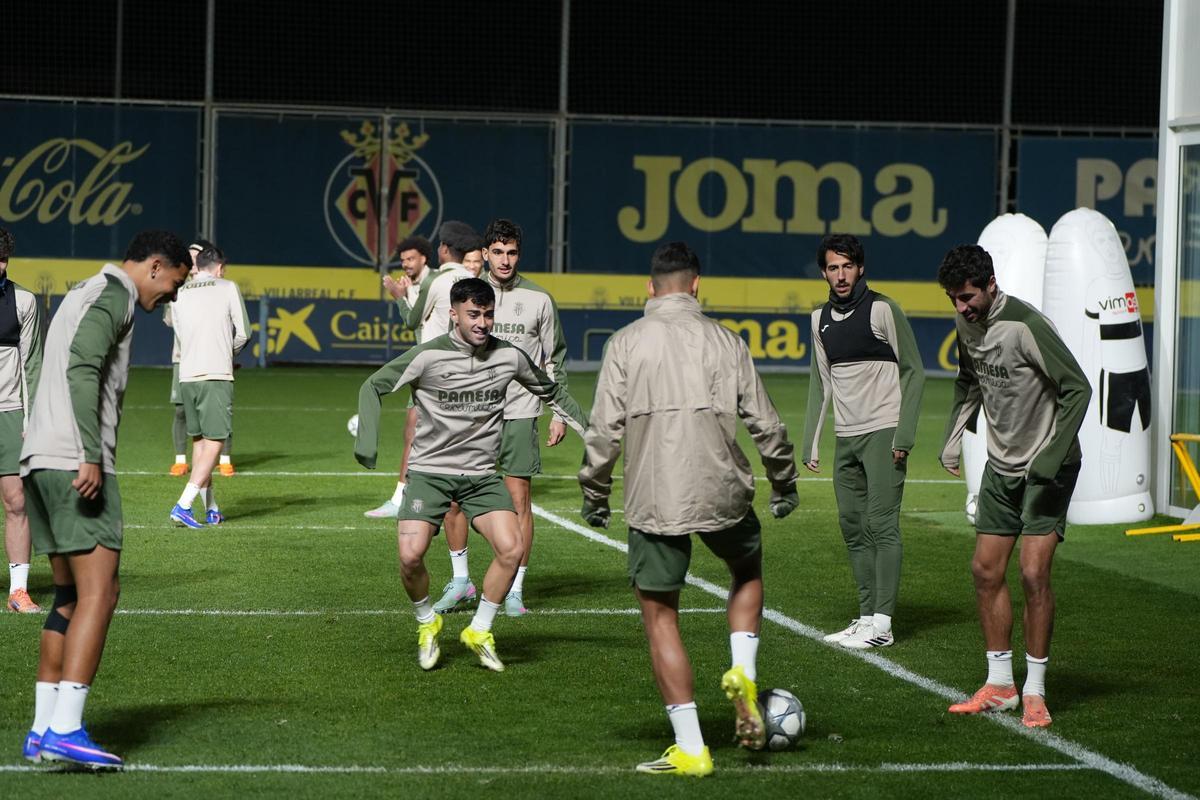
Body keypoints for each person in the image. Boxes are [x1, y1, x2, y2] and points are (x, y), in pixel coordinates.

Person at [578, 241, 799, 777]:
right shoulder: (729, 342)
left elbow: (604, 430)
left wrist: (595, 494)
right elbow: (766, 423)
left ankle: (693, 748)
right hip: (723, 487)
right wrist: (783, 482)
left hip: (656, 498)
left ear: (650, 288)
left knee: (660, 615)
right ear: (697, 285)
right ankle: (742, 669)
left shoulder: (627, 342)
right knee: (746, 572)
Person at [354, 277, 588, 673]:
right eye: (473, 314)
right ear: (454, 314)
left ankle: (479, 629)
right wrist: (368, 444)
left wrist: (592, 432)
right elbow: (372, 386)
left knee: (512, 549)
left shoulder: (509, 357)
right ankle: (428, 623)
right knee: (410, 558)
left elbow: (551, 391)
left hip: (480, 476)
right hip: (430, 473)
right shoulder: (426, 356)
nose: (482, 322)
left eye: (488, 314)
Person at [19, 230, 191, 769]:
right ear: (157, 266)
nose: (173, 297)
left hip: (41, 460)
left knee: (68, 597)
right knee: (102, 593)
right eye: (174, 285)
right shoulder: (114, 294)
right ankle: (67, 729)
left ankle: (43, 727)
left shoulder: (83, 289)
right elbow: (82, 368)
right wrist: (91, 453)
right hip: (75, 462)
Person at [937, 244, 1090, 730]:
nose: (961, 307)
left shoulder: (1026, 326)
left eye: (967, 297)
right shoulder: (967, 324)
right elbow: (969, 380)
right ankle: (1000, 685)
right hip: (1002, 467)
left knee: (1032, 574)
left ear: (990, 285)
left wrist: (1048, 456)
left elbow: (1077, 388)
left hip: (1050, 466)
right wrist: (952, 437)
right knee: (985, 570)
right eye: (953, 299)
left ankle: (1035, 692)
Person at [432, 218, 566, 617]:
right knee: (455, 497)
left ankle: (514, 590)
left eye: (512, 253)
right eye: (498, 252)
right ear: (485, 253)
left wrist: (558, 412)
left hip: (521, 411)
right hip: (471, 411)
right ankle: (461, 582)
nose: (505, 260)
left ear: (518, 255)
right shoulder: (468, 295)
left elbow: (554, 357)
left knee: (518, 500)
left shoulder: (539, 299)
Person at [801, 234, 925, 649]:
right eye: (833, 267)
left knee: (882, 525)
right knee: (853, 527)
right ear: (824, 272)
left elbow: (913, 371)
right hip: (845, 438)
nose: (840, 275)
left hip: (883, 431)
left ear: (861, 268)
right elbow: (821, 382)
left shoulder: (883, 310)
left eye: (847, 266)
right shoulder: (818, 319)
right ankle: (867, 616)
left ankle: (883, 626)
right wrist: (811, 442)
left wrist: (904, 434)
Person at [364, 222, 482, 519]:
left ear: (442, 250)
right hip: (466, 368)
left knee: (413, 433)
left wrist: (398, 296)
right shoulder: (472, 280)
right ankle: (462, 496)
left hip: (433, 369)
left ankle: (401, 498)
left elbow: (412, 321)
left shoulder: (436, 282)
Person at [167, 241, 250, 528]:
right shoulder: (227, 287)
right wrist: (226, 352)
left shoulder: (179, 293)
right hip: (215, 373)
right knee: (216, 441)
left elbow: (179, 332)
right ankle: (184, 503)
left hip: (187, 374)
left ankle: (211, 507)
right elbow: (243, 333)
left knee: (200, 443)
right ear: (218, 267)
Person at [164, 240, 237, 477]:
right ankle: (180, 460)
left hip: (214, 361)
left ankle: (224, 458)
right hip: (184, 359)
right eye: (190, 257)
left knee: (219, 410)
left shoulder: (221, 287)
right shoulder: (180, 289)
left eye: (196, 257)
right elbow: (170, 320)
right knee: (181, 411)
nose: (193, 261)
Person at [0, 227, 44, 613]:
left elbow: (32, 365)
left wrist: (34, 421)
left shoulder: (24, 301)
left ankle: (18, 590)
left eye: (3, 259)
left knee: (16, 501)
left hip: (10, 413)